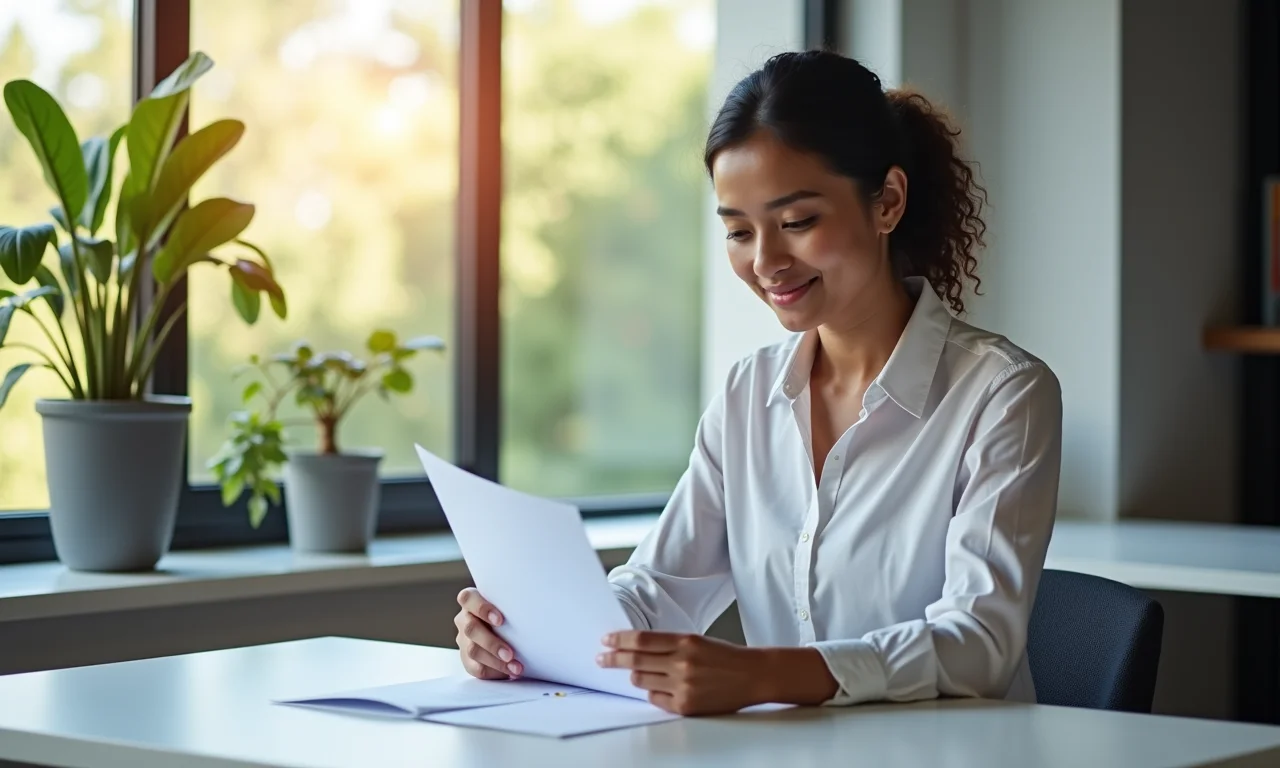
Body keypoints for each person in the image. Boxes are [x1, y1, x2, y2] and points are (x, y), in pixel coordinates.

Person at [453, 50, 1063, 717]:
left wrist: (766, 676)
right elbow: (660, 590)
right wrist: (524, 632)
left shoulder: (1003, 394)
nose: (766, 262)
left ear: (887, 201)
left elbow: (980, 644)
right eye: (740, 231)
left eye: (797, 223)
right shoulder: (750, 393)